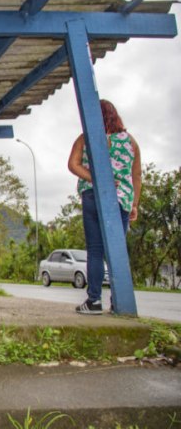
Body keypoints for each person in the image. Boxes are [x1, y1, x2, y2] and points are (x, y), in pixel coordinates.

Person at [67, 99, 141, 315]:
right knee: (115, 251)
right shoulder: (130, 142)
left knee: (95, 251)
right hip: (122, 199)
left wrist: (96, 178)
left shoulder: (86, 138)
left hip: (93, 196)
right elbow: (136, 175)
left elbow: (73, 164)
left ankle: (94, 301)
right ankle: (120, 303)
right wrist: (134, 203)